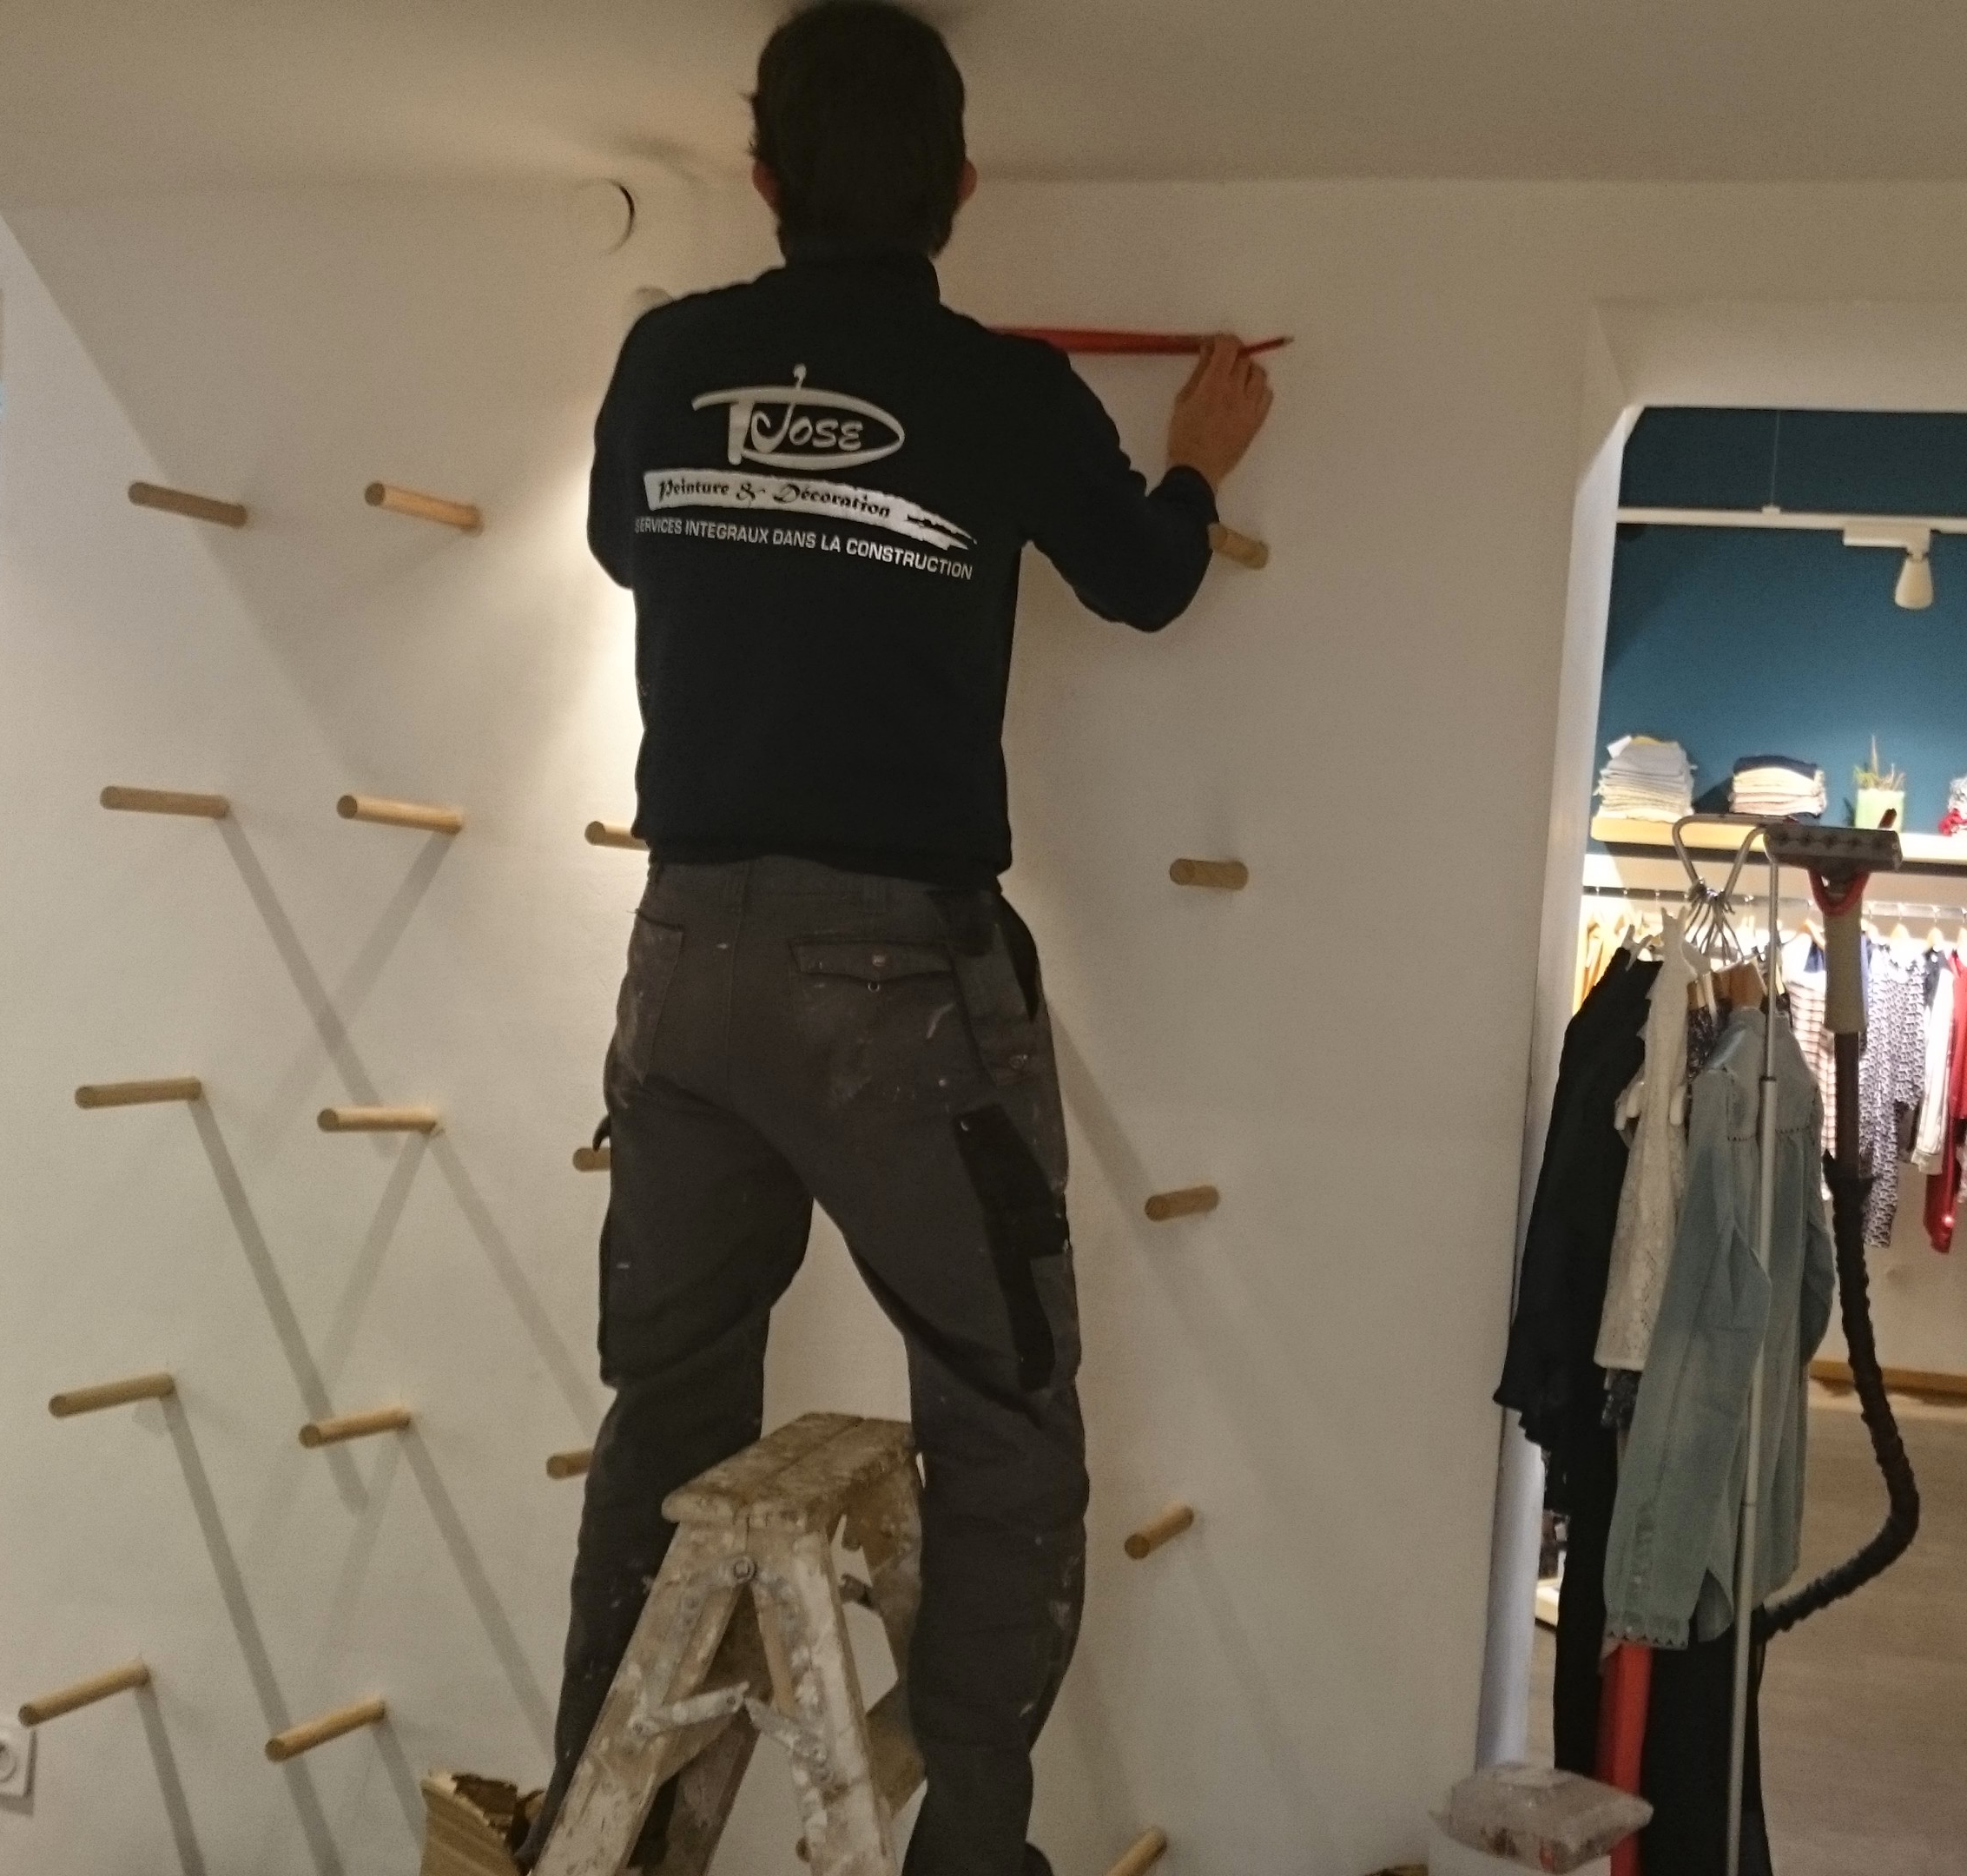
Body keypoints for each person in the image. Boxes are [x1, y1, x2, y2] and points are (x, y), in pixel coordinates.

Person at [540, 4, 1272, 1873]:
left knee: (666, 1404)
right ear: (960, 183)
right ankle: (969, 1856)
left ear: (761, 174)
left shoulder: (666, 359)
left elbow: (627, 545)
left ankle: (607, 1836)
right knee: (1003, 1415)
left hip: (685, 962)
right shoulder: (1004, 391)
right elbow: (1145, 581)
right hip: (899, 992)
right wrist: (1198, 459)